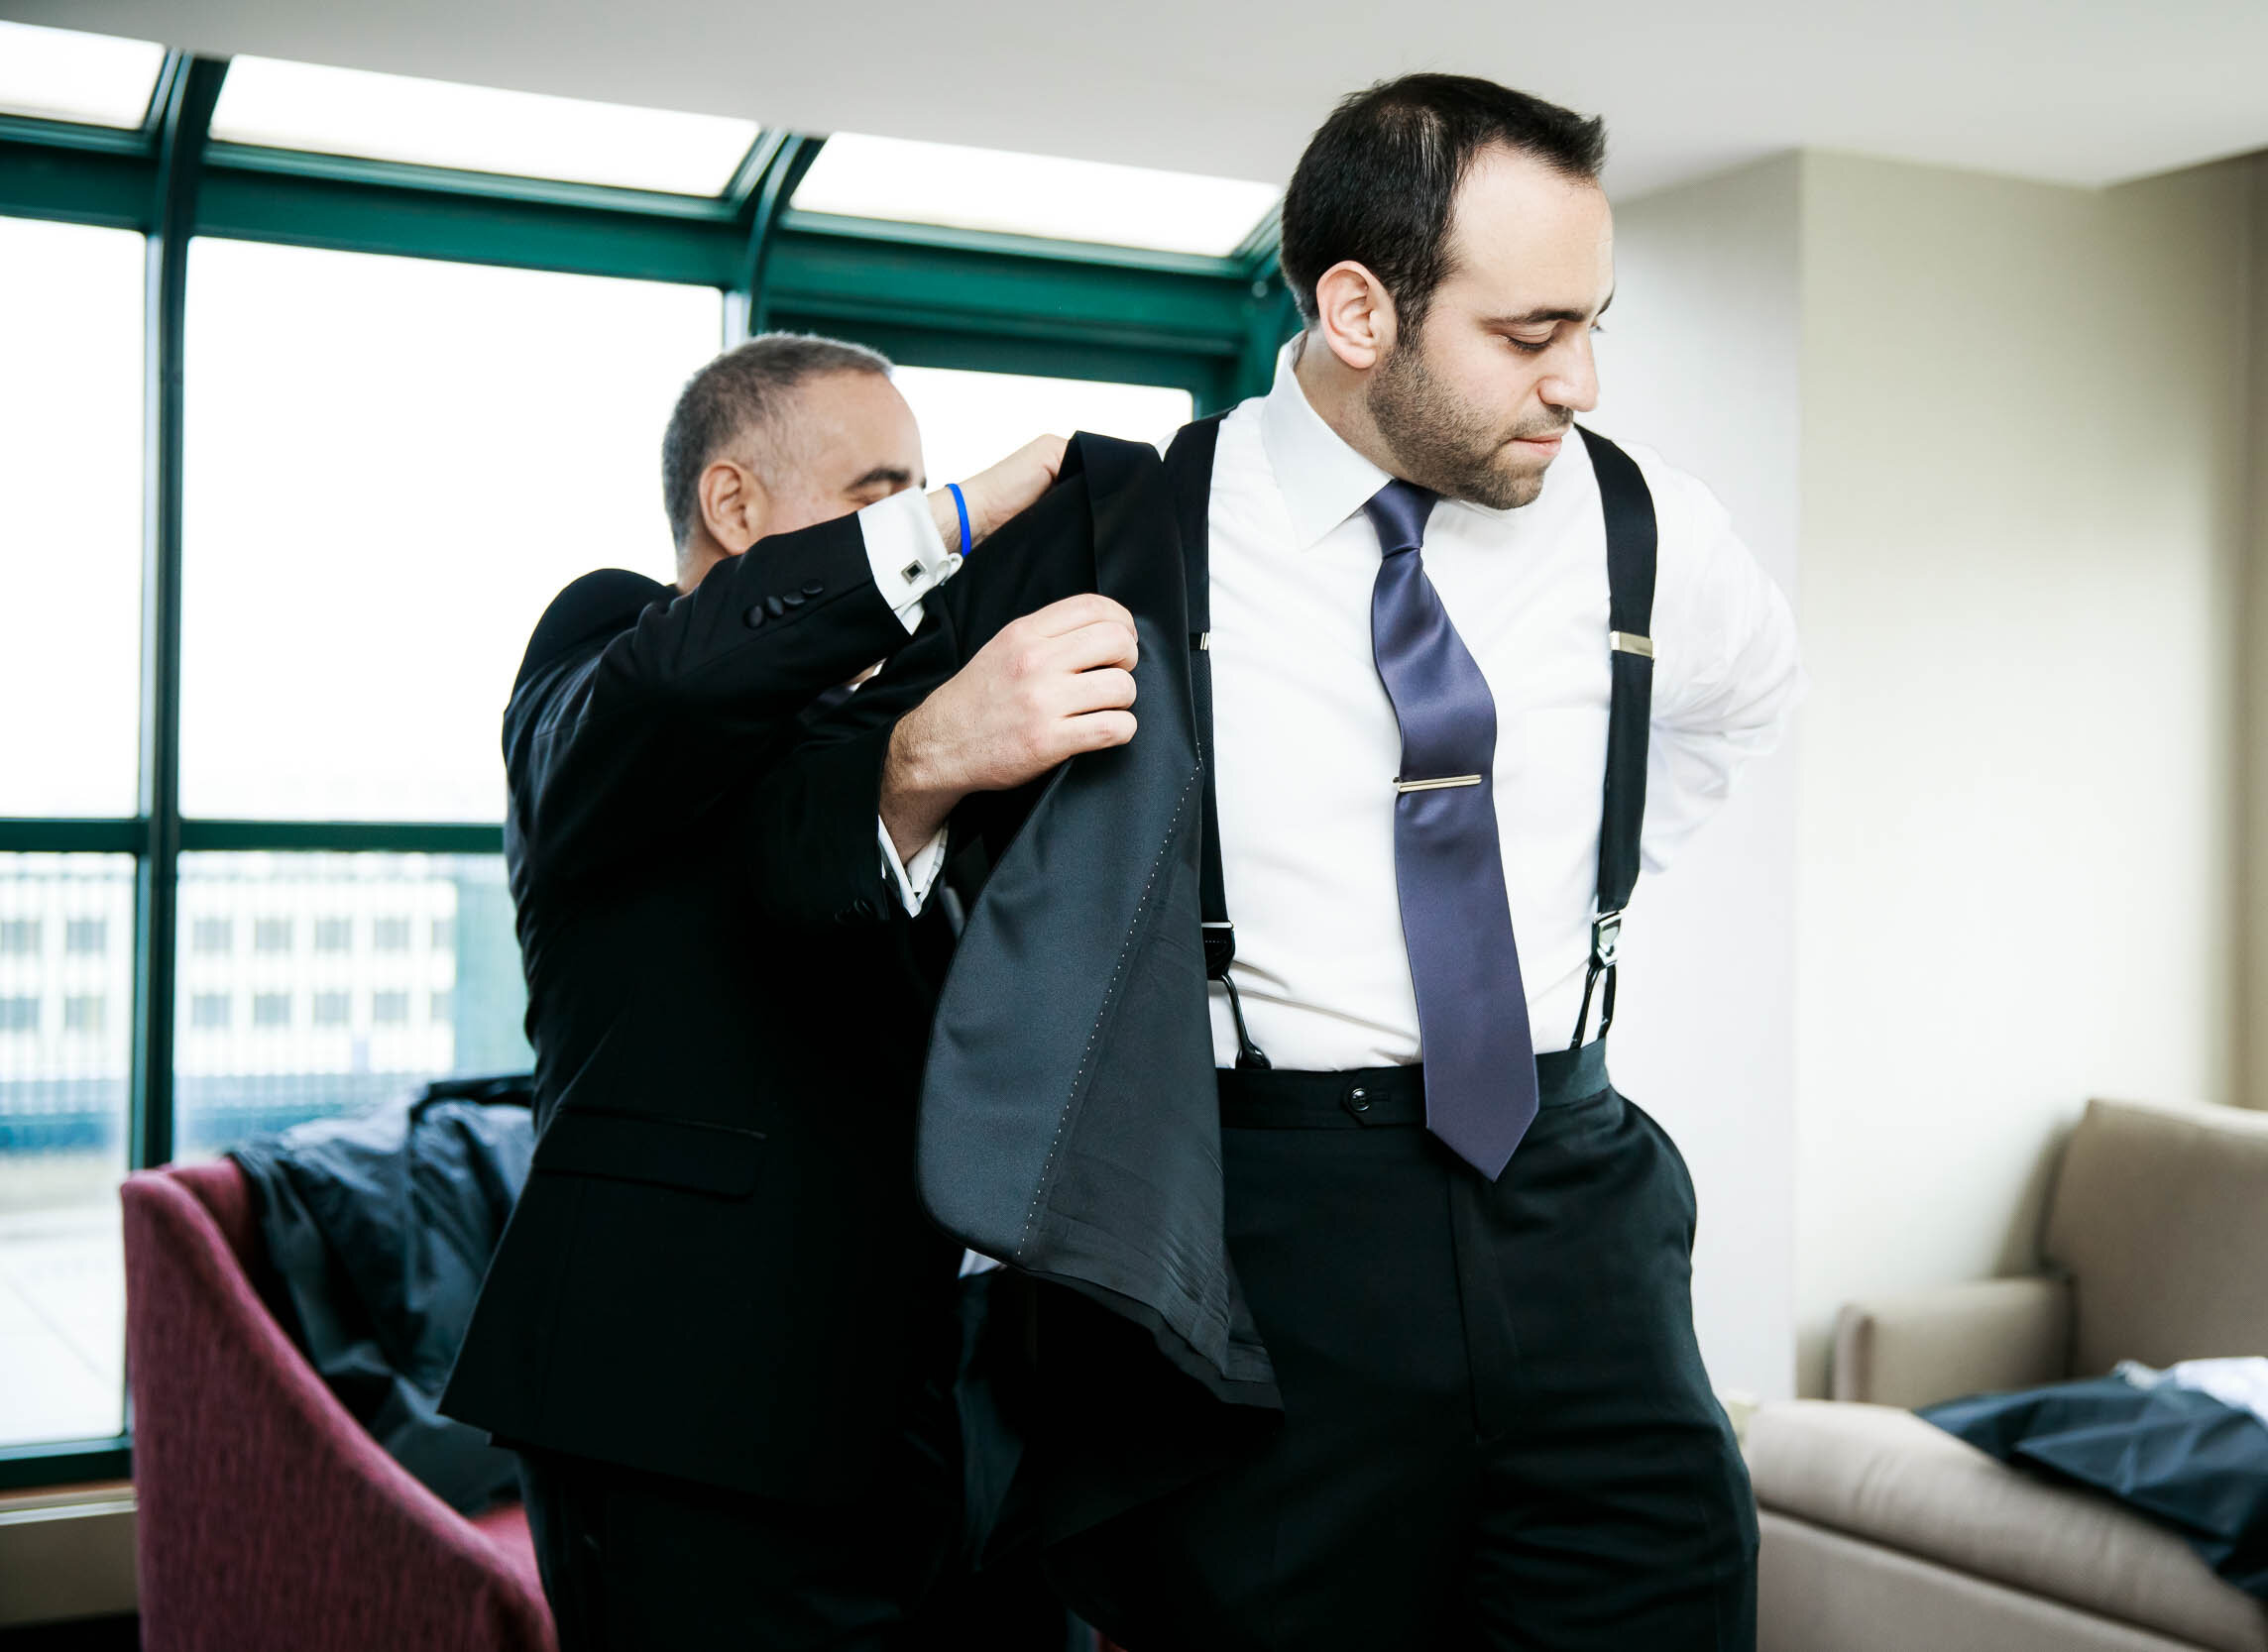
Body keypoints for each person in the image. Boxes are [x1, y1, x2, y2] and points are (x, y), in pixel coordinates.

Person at [849, 74, 1804, 1651]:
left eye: (1596, 323)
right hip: (1272, 1237)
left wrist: (1566, 900)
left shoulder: (1648, 528)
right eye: (1527, 332)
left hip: (1580, 1214)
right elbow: (853, 816)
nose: (1578, 380)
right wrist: (925, 759)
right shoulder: (1134, 530)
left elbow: (1741, 709)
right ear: (1359, 309)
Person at [441, 333, 1139, 1650]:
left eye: (930, 494)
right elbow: (690, 691)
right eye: (888, 496)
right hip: (687, 1408)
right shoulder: (606, 647)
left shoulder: (935, 704)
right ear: (736, 506)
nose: (933, 539)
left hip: (944, 1403)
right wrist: (987, 503)